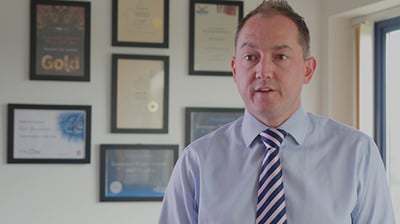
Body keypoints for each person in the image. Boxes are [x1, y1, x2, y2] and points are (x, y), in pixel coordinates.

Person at [159, 0, 396, 223]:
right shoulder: (196, 162)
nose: (263, 71)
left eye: (280, 56)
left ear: (308, 69)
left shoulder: (357, 154)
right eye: (250, 57)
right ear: (234, 69)